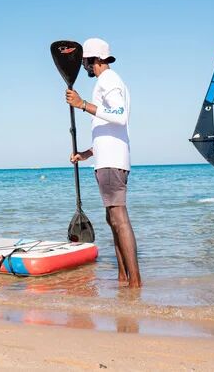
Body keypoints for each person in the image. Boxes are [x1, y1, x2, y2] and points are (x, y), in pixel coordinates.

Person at [65, 38, 141, 288]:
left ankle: (135, 283)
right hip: (108, 158)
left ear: (94, 59)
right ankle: (123, 279)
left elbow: (120, 116)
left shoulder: (108, 80)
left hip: (112, 162)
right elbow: (108, 128)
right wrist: (87, 153)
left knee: (119, 218)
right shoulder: (109, 81)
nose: (83, 66)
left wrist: (82, 104)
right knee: (112, 219)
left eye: (85, 61)